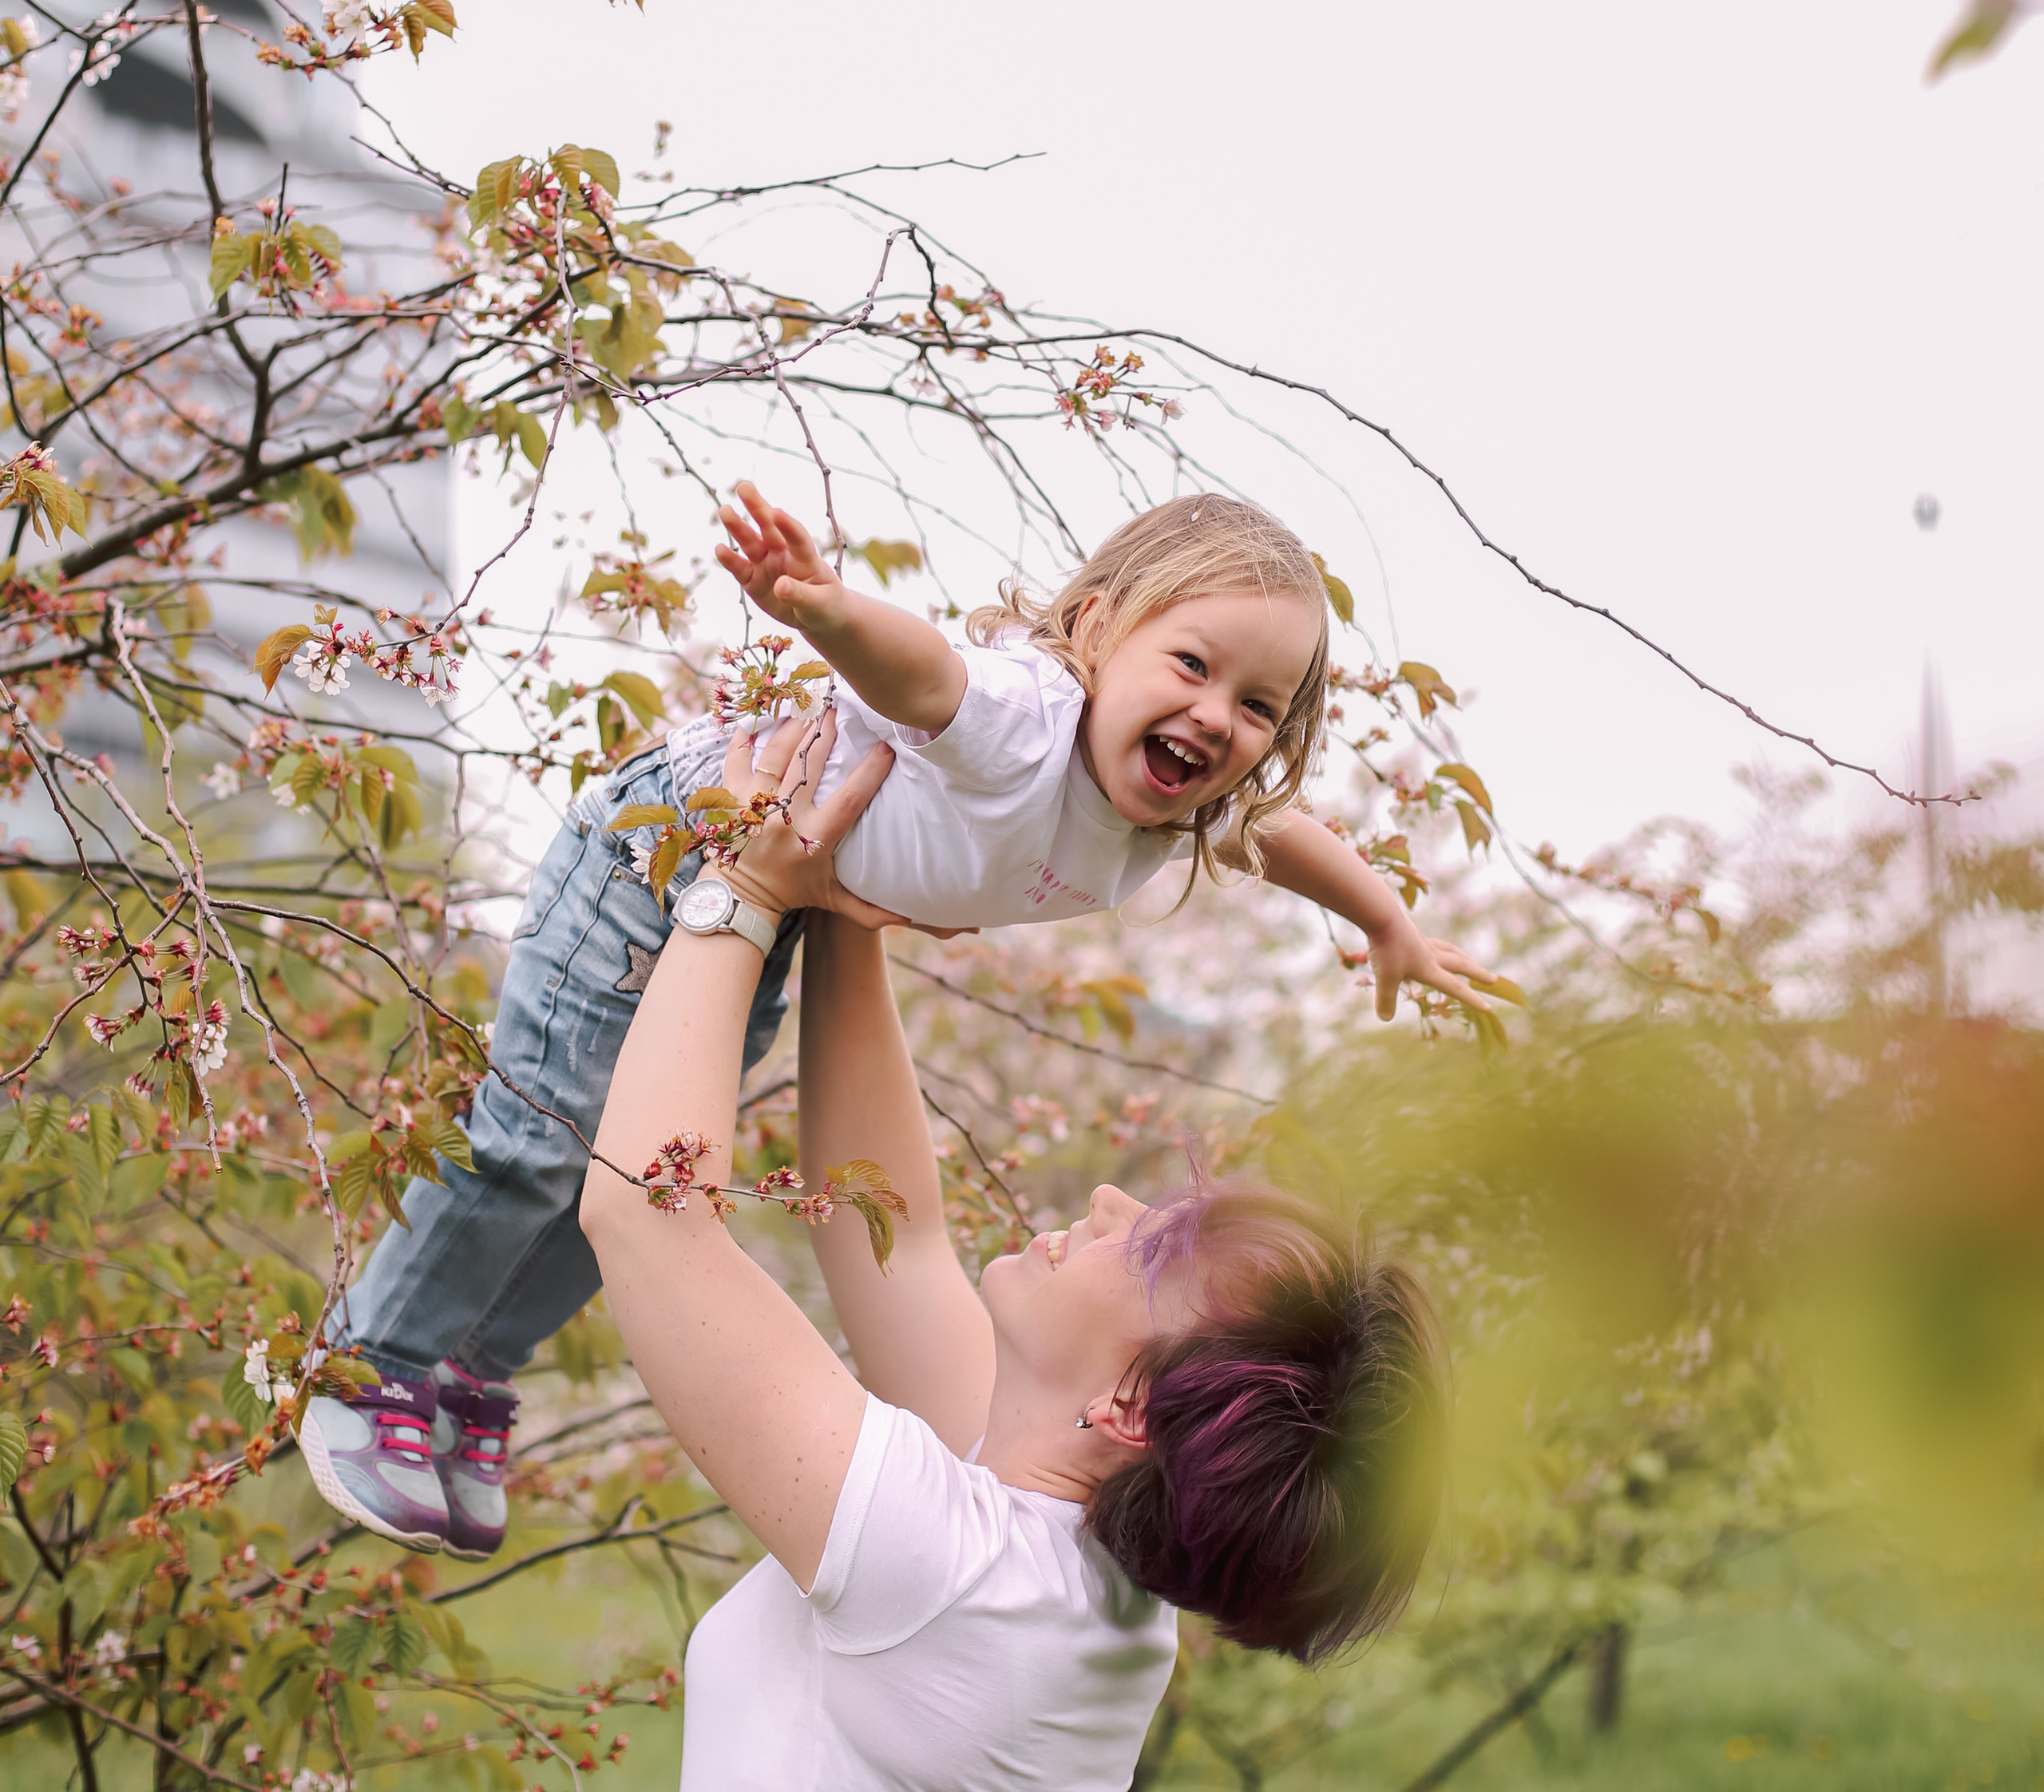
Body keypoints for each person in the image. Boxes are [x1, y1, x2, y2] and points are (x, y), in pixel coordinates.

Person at [297, 489, 1488, 1557]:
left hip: (778, 910)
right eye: (1189, 663)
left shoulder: (1175, 814)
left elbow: (1283, 838)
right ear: (1097, 632)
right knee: (544, 1141)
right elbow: (923, 677)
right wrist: (821, 609)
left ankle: (466, 1368)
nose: (1216, 716)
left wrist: (1387, 923)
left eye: (1258, 706)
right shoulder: (1029, 717)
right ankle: (375, 1364)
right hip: (668, 854)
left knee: (617, 1172)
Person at [576, 718, 1448, 1790]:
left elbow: (648, 1220)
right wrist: (854, 892)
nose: (1112, 1199)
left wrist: (748, 892)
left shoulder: (958, 1583)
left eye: (1151, 1252)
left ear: (1131, 1406)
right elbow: (887, 1236)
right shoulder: (1070, 1569)